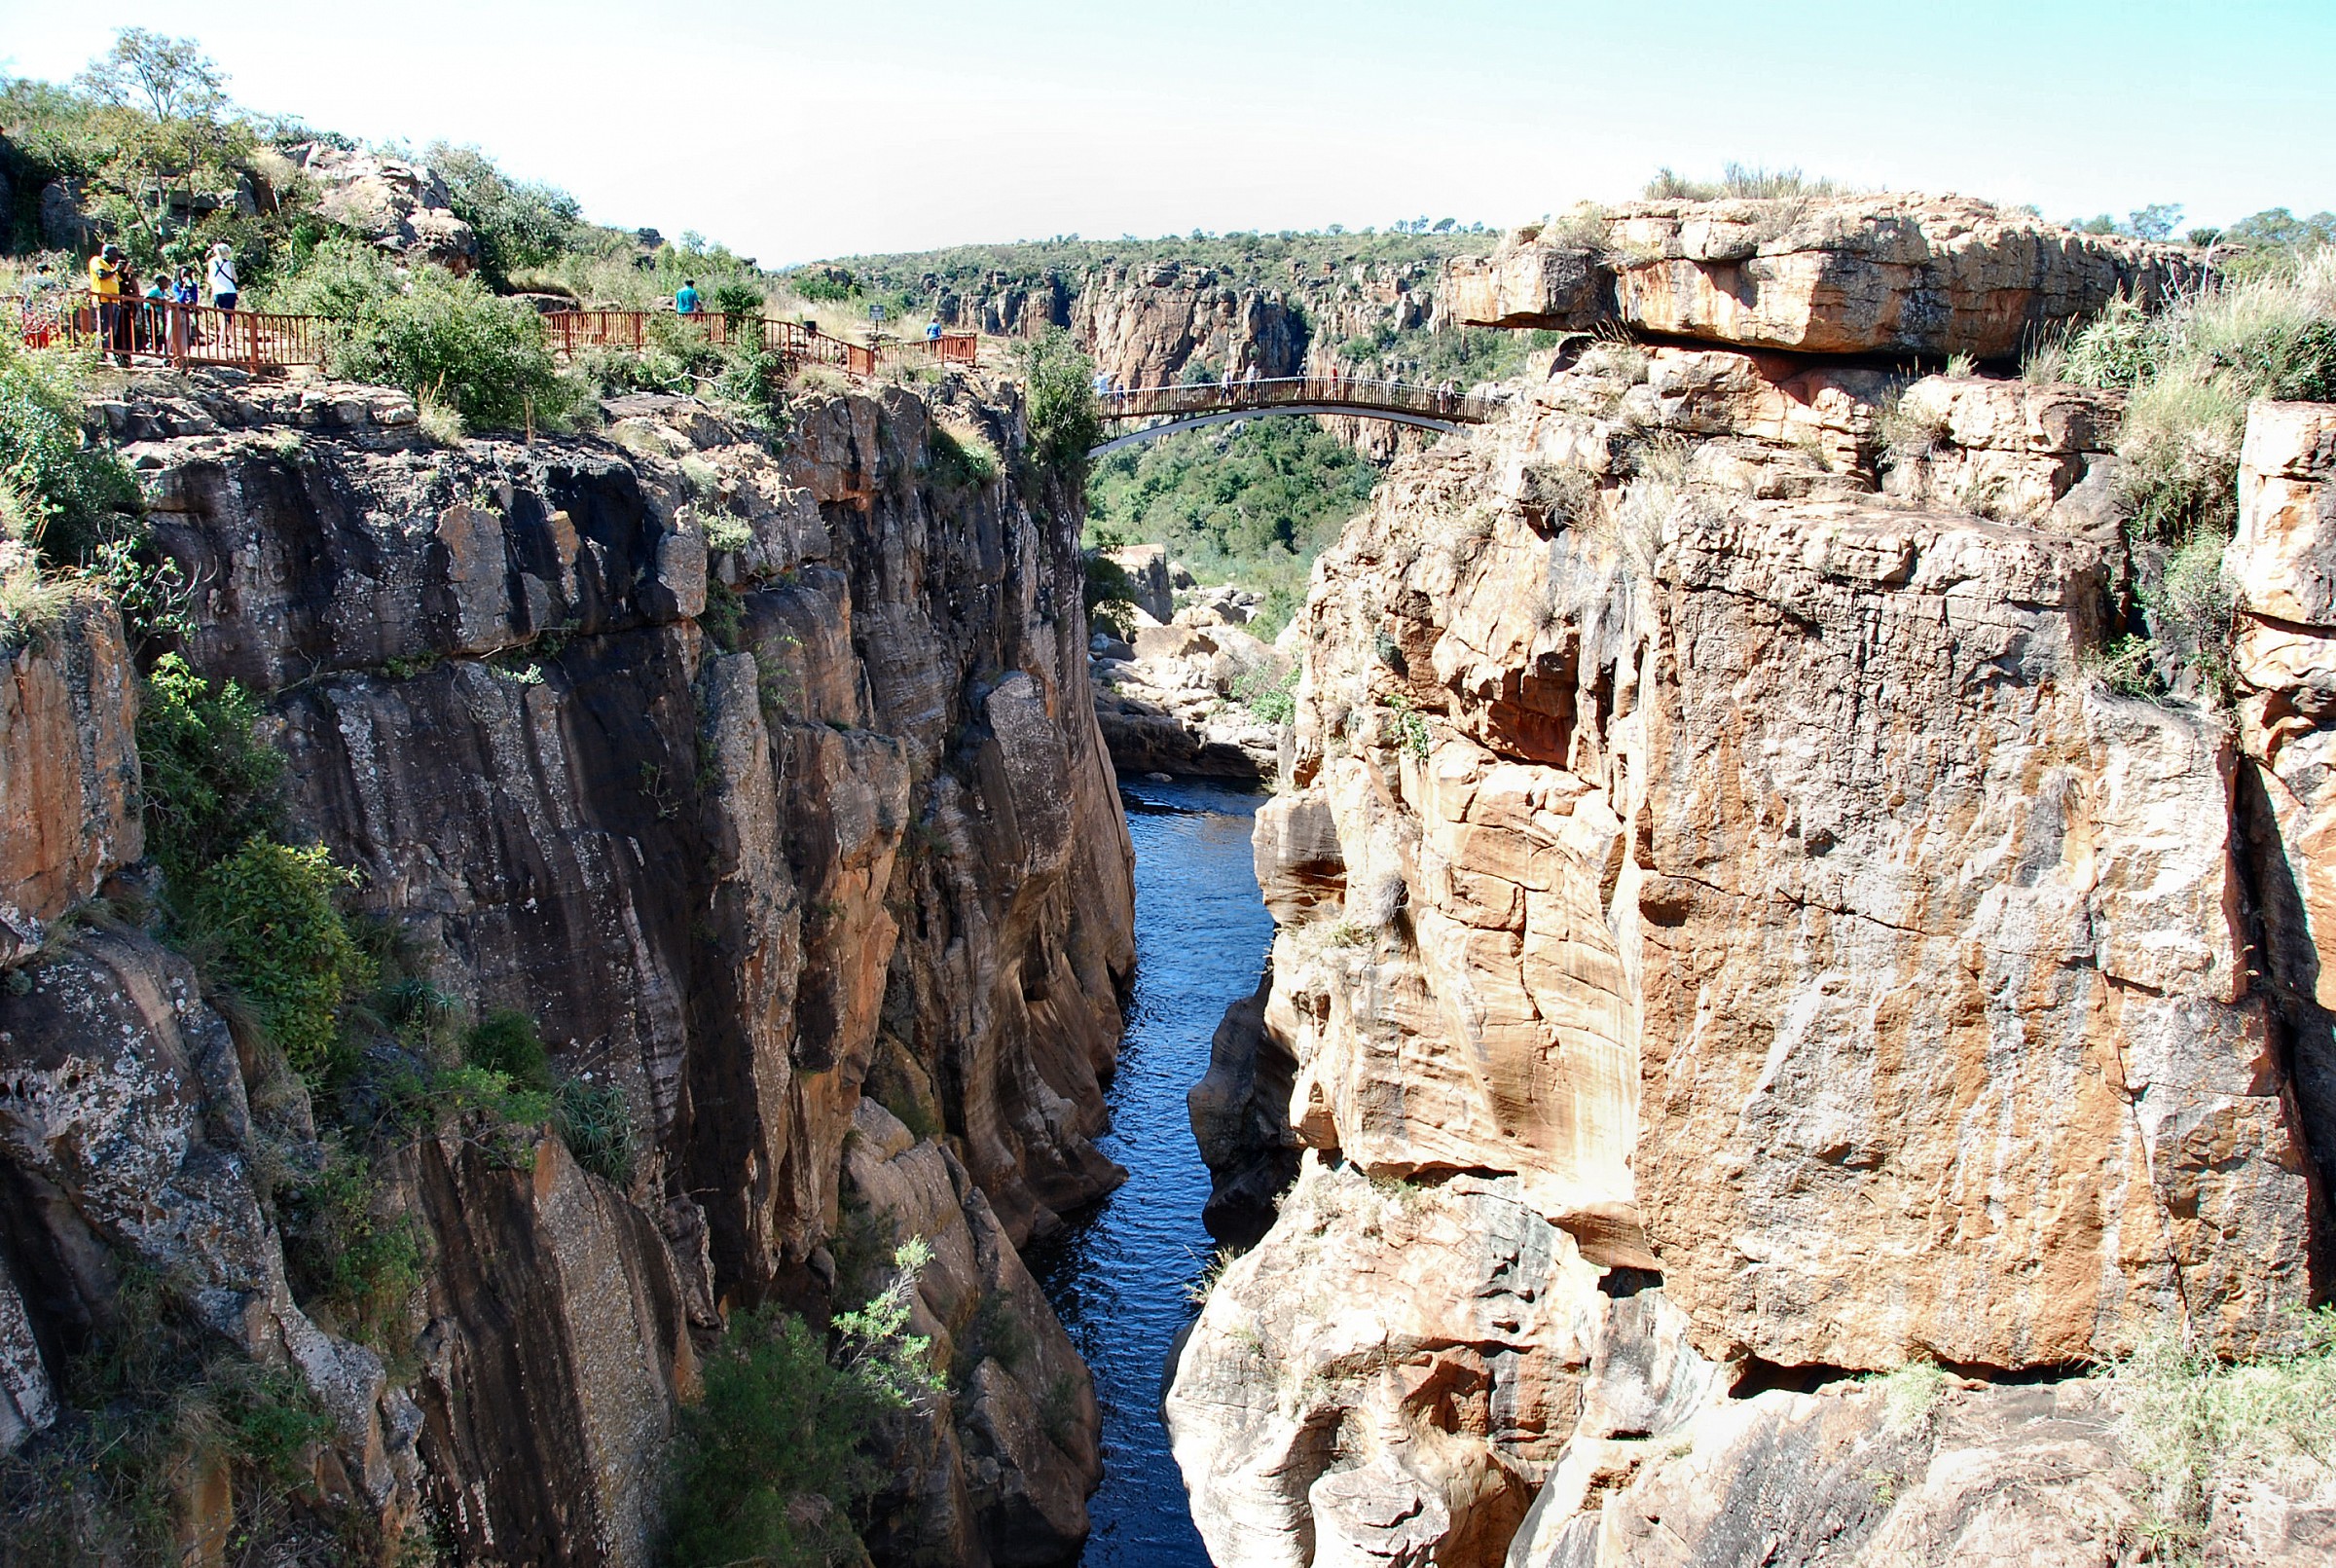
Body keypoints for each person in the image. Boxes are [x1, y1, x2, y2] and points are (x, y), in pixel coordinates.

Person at [90, 244, 129, 365]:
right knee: (104, 327)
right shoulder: (97, 260)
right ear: (106, 253)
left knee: (113, 329)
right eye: (114, 255)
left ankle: (106, 350)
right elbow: (102, 275)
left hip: (113, 301)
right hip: (103, 299)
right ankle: (100, 352)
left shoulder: (110, 266)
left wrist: (125, 271)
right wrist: (115, 269)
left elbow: (121, 283)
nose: (116, 257)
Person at [206, 241, 238, 315]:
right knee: (229, 316)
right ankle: (228, 327)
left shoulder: (211, 262)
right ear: (227, 252)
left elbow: (209, 279)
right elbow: (235, 279)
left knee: (222, 315)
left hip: (217, 292)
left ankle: (223, 326)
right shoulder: (230, 264)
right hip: (229, 291)